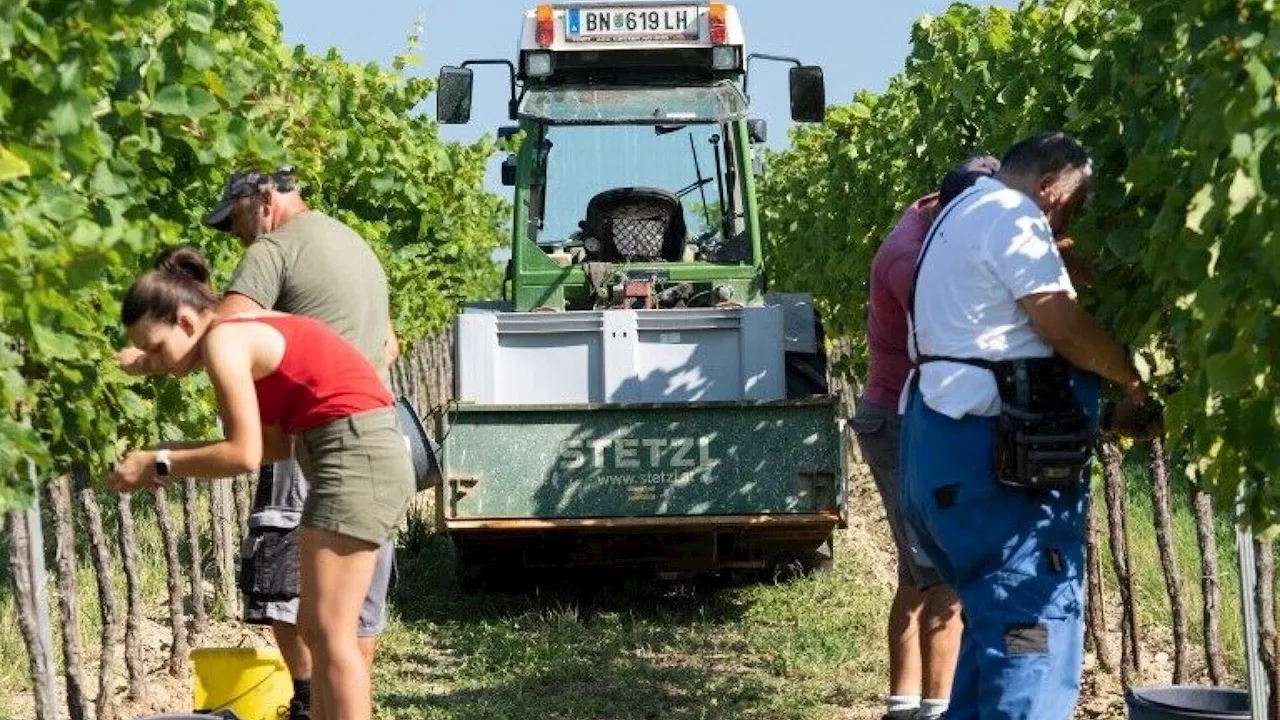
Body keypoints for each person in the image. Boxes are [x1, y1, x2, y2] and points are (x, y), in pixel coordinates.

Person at [117, 167, 402, 720]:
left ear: (184, 318)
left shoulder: (225, 339)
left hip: (354, 453)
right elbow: (270, 447)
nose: (152, 366)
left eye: (153, 349)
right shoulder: (341, 246)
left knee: (330, 634)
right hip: (347, 448)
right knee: (326, 632)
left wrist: (159, 461)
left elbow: (243, 454)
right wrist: (168, 451)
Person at [898, 132, 1160, 719]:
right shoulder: (1012, 216)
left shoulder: (962, 212)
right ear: (1047, 186)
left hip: (945, 462)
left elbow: (1002, 353)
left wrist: (1104, 418)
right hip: (997, 482)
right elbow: (1060, 328)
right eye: (1072, 204)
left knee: (995, 640)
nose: (1070, 218)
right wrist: (1132, 374)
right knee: (1032, 638)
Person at [852, 154, 999, 720]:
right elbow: (961, 332)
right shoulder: (912, 258)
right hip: (902, 423)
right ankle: (937, 710)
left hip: (913, 417)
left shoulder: (933, 227)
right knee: (942, 569)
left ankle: (905, 706)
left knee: (918, 573)